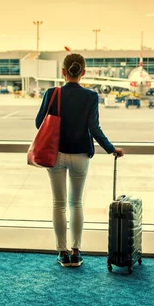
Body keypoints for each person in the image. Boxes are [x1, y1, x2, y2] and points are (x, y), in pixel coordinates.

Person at [35, 53, 124, 268]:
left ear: (63, 72)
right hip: (81, 155)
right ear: (83, 73)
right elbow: (94, 129)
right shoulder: (91, 97)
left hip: (55, 155)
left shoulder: (51, 93)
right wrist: (111, 149)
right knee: (76, 203)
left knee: (59, 203)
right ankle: (76, 252)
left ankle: (61, 252)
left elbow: (39, 123)